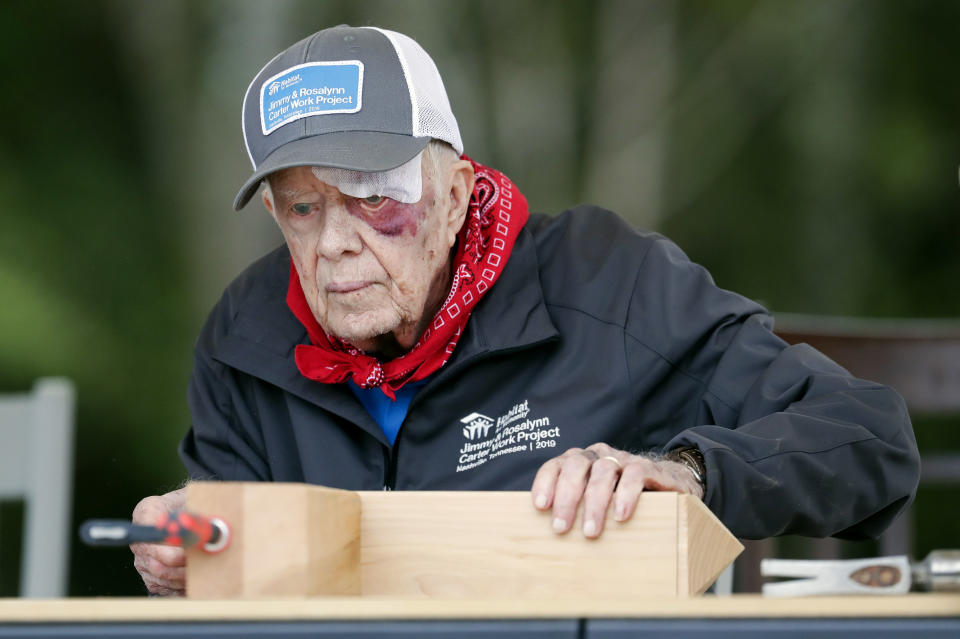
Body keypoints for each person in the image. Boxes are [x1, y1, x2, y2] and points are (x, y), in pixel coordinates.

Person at [131, 25, 920, 596]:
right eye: (302, 209)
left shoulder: (610, 281)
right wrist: (190, 548)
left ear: (452, 191)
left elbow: (872, 441)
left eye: (371, 198)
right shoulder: (246, 336)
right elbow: (235, 584)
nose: (333, 242)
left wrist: (688, 473)